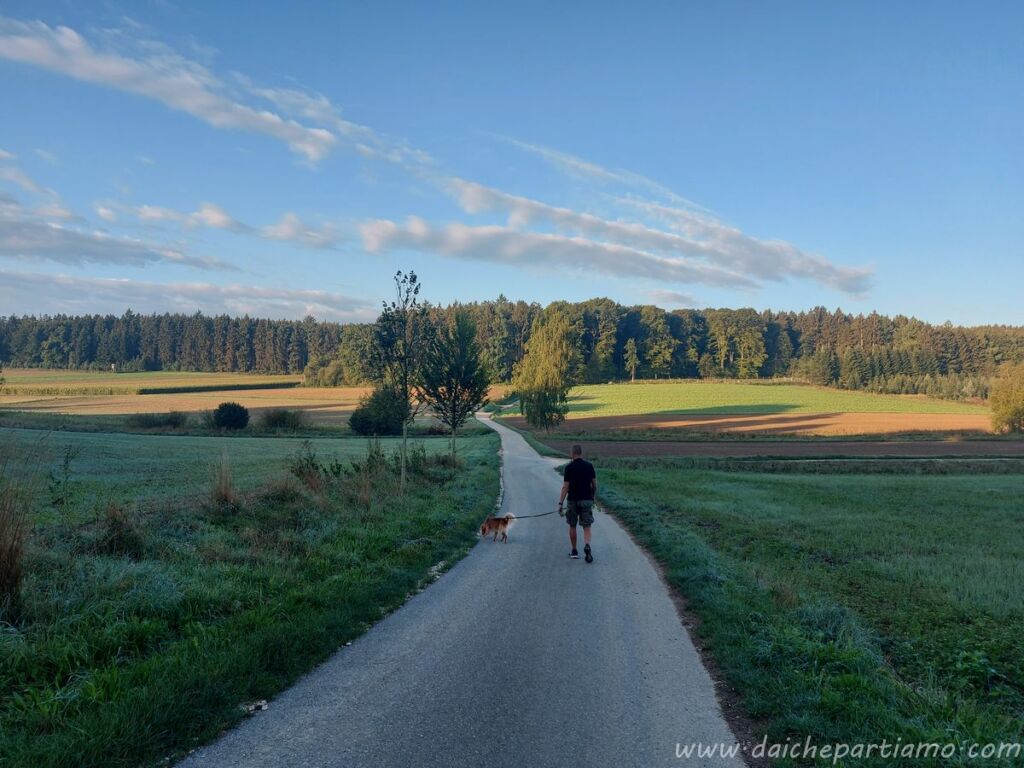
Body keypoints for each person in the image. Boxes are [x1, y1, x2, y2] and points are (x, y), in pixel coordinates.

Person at [558, 444, 597, 563]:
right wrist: (592, 497)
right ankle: (587, 545)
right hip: (586, 499)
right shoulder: (589, 466)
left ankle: (574, 551)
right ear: (580, 453)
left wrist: (560, 503)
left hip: (572, 500)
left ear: (573, 453)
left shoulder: (569, 467)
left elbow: (565, 487)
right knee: (587, 525)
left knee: (572, 525)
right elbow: (594, 485)